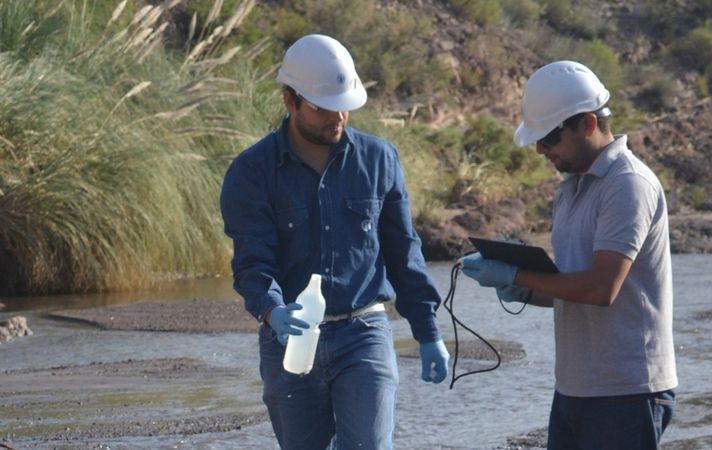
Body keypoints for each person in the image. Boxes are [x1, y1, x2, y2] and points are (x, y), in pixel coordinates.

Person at [220, 34, 449, 450]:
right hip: (290, 342)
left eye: (345, 104)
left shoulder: (380, 161)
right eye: (323, 107)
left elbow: (404, 253)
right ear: (290, 101)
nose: (338, 116)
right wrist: (272, 311)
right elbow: (252, 262)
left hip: (364, 332)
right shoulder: (252, 171)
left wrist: (428, 331)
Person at [460, 60, 678, 450]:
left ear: (588, 125)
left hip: (628, 390)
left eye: (549, 140)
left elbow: (600, 289)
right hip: (575, 389)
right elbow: (570, 286)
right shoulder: (570, 190)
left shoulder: (628, 184)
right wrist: (523, 291)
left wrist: (515, 275)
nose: (542, 150)